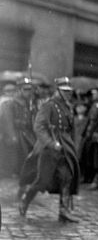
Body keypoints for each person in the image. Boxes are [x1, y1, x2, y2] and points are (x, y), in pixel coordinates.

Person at [18, 77, 80, 223]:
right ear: (57, 91)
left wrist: (72, 146)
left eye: (69, 91)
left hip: (65, 147)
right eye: (64, 91)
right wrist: (51, 143)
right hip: (48, 149)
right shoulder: (48, 106)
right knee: (42, 181)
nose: (68, 94)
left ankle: (64, 211)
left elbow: (72, 130)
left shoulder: (68, 107)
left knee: (66, 177)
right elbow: (38, 127)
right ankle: (25, 201)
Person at [6, 77, 38, 177]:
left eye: (30, 89)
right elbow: (8, 120)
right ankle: (17, 172)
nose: (28, 92)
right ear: (19, 90)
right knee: (19, 152)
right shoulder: (11, 103)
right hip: (17, 131)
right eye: (25, 89)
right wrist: (12, 135)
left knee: (32, 150)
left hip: (27, 131)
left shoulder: (30, 103)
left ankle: (26, 172)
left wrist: (33, 110)